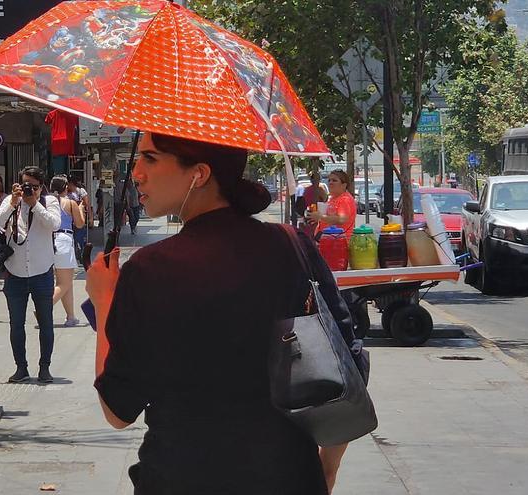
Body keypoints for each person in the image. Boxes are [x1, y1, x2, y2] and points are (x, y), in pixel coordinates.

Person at [86, 132, 356, 494]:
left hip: (178, 478)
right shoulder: (291, 245)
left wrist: (104, 301)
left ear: (198, 173)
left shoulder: (152, 269)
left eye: (150, 159)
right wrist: (326, 468)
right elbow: (347, 364)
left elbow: (117, 410)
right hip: (289, 476)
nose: (136, 172)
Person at [0, 166, 62, 383]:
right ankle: (21, 368)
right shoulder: (12, 201)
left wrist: (35, 205)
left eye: (33, 186)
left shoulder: (48, 202)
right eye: (25, 185)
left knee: (46, 322)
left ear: (41, 187)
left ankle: (45, 368)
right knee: (16, 324)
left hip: (41, 272)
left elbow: (54, 224)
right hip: (15, 272)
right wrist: (13, 203)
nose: (28, 190)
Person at [49, 175, 86, 326]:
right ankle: (43, 309)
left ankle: (71, 316)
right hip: (64, 240)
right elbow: (80, 224)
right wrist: (81, 209)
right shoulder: (70, 203)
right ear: (65, 188)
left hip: (48, 241)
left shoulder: (46, 202)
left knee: (66, 282)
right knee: (64, 283)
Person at [307, 169, 357, 240]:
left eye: (334, 180)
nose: (330, 183)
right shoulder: (332, 199)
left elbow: (341, 219)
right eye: (329, 180)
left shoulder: (345, 199)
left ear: (344, 185)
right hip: (327, 240)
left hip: (338, 242)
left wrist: (320, 217)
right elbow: (328, 218)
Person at [66, 176, 90, 259]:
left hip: (79, 216)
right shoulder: (66, 192)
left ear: (71, 184)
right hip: (69, 218)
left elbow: (87, 204)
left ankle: (82, 253)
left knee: (79, 236)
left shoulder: (80, 191)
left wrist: (90, 217)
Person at [299, 172, 328, 238]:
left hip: (308, 212)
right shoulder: (320, 189)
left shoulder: (307, 189)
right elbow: (325, 199)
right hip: (316, 213)